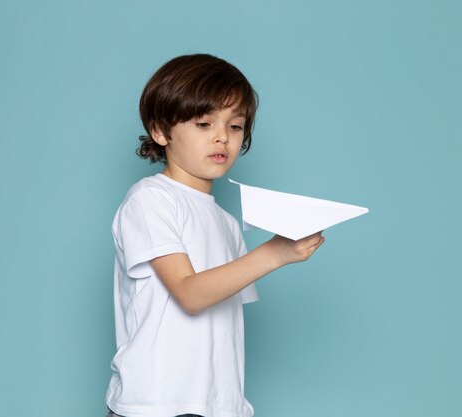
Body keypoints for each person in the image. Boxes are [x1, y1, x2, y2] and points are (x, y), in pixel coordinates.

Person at [105, 54, 324, 417]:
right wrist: (274, 253)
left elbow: (222, 328)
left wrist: (232, 404)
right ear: (160, 131)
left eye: (235, 126)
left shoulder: (226, 222)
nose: (223, 136)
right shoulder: (150, 199)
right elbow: (190, 293)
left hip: (217, 407)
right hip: (156, 406)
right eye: (204, 123)